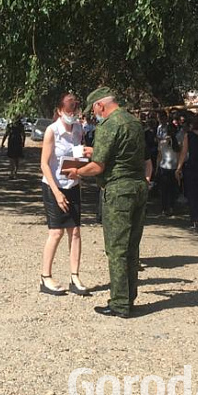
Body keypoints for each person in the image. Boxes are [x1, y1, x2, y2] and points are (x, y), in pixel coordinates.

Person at [64, 87, 147, 318]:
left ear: (100, 105)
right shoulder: (134, 122)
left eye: (94, 110)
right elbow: (123, 154)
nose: (95, 114)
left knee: (117, 248)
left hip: (119, 191)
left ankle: (119, 304)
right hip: (138, 188)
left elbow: (98, 167)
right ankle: (129, 297)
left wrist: (77, 172)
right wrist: (95, 151)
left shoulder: (109, 125)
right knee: (132, 247)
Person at [39, 93, 89, 296]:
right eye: (68, 111)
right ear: (60, 111)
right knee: (56, 232)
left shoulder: (78, 129)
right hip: (54, 186)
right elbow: (44, 164)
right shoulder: (52, 131)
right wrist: (57, 193)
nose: (72, 115)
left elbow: (77, 154)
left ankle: (75, 276)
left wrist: (81, 167)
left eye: (74, 111)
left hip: (73, 183)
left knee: (75, 231)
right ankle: (45, 277)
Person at [156, 129, 179, 216]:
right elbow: (178, 156)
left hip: (164, 167)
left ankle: (164, 208)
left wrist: (157, 167)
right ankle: (172, 207)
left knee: (164, 190)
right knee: (173, 189)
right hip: (174, 167)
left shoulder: (162, 143)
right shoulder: (177, 143)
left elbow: (159, 156)